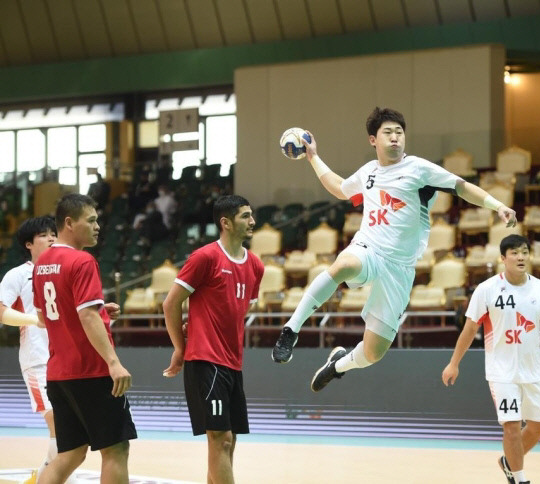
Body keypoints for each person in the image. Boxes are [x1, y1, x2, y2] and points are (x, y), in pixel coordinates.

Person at [271, 106, 517, 392]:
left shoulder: (418, 168)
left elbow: (461, 186)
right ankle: (291, 330)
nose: (395, 138)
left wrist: (497, 205)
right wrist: (313, 157)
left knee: (373, 353)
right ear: (373, 140)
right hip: (369, 247)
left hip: (399, 267)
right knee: (342, 266)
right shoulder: (368, 172)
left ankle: (337, 365)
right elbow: (340, 188)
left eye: (399, 133)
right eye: (387, 133)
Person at [441, 234, 540, 484]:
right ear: (503, 258)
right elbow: (470, 329)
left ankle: (508, 461)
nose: (520, 256)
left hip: (533, 370)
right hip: (501, 372)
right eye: (514, 252)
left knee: (538, 426)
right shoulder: (487, 289)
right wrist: (454, 363)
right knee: (511, 426)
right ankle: (519, 478)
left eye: (524, 251)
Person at [32, 193, 136, 484]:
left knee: (71, 454)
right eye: (91, 221)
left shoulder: (42, 264)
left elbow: (45, 317)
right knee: (116, 449)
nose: (98, 226)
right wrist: (113, 363)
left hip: (59, 374)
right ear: (69, 223)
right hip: (91, 371)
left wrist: (99, 308)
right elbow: (87, 317)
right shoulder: (82, 260)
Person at [162, 195, 264, 484]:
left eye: (251, 214)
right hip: (205, 361)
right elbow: (171, 304)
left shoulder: (255, 265)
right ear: (226, 223)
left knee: (228, 442)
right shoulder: (205, 257)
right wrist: (181, 348)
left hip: (233, 362)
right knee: (220, 438)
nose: (252, 221)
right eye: (245, 216)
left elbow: (239, 310)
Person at [0, 216, 60, 483]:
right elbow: (1, 311)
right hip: (38, 360)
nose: (51, 238)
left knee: (70, 428)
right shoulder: (18, 274)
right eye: (44, 235)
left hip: (66, 359)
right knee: (59, 424)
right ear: (28, 244)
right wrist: (34, 320)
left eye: (54, 234)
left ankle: (44, 476)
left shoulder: (62, 271)